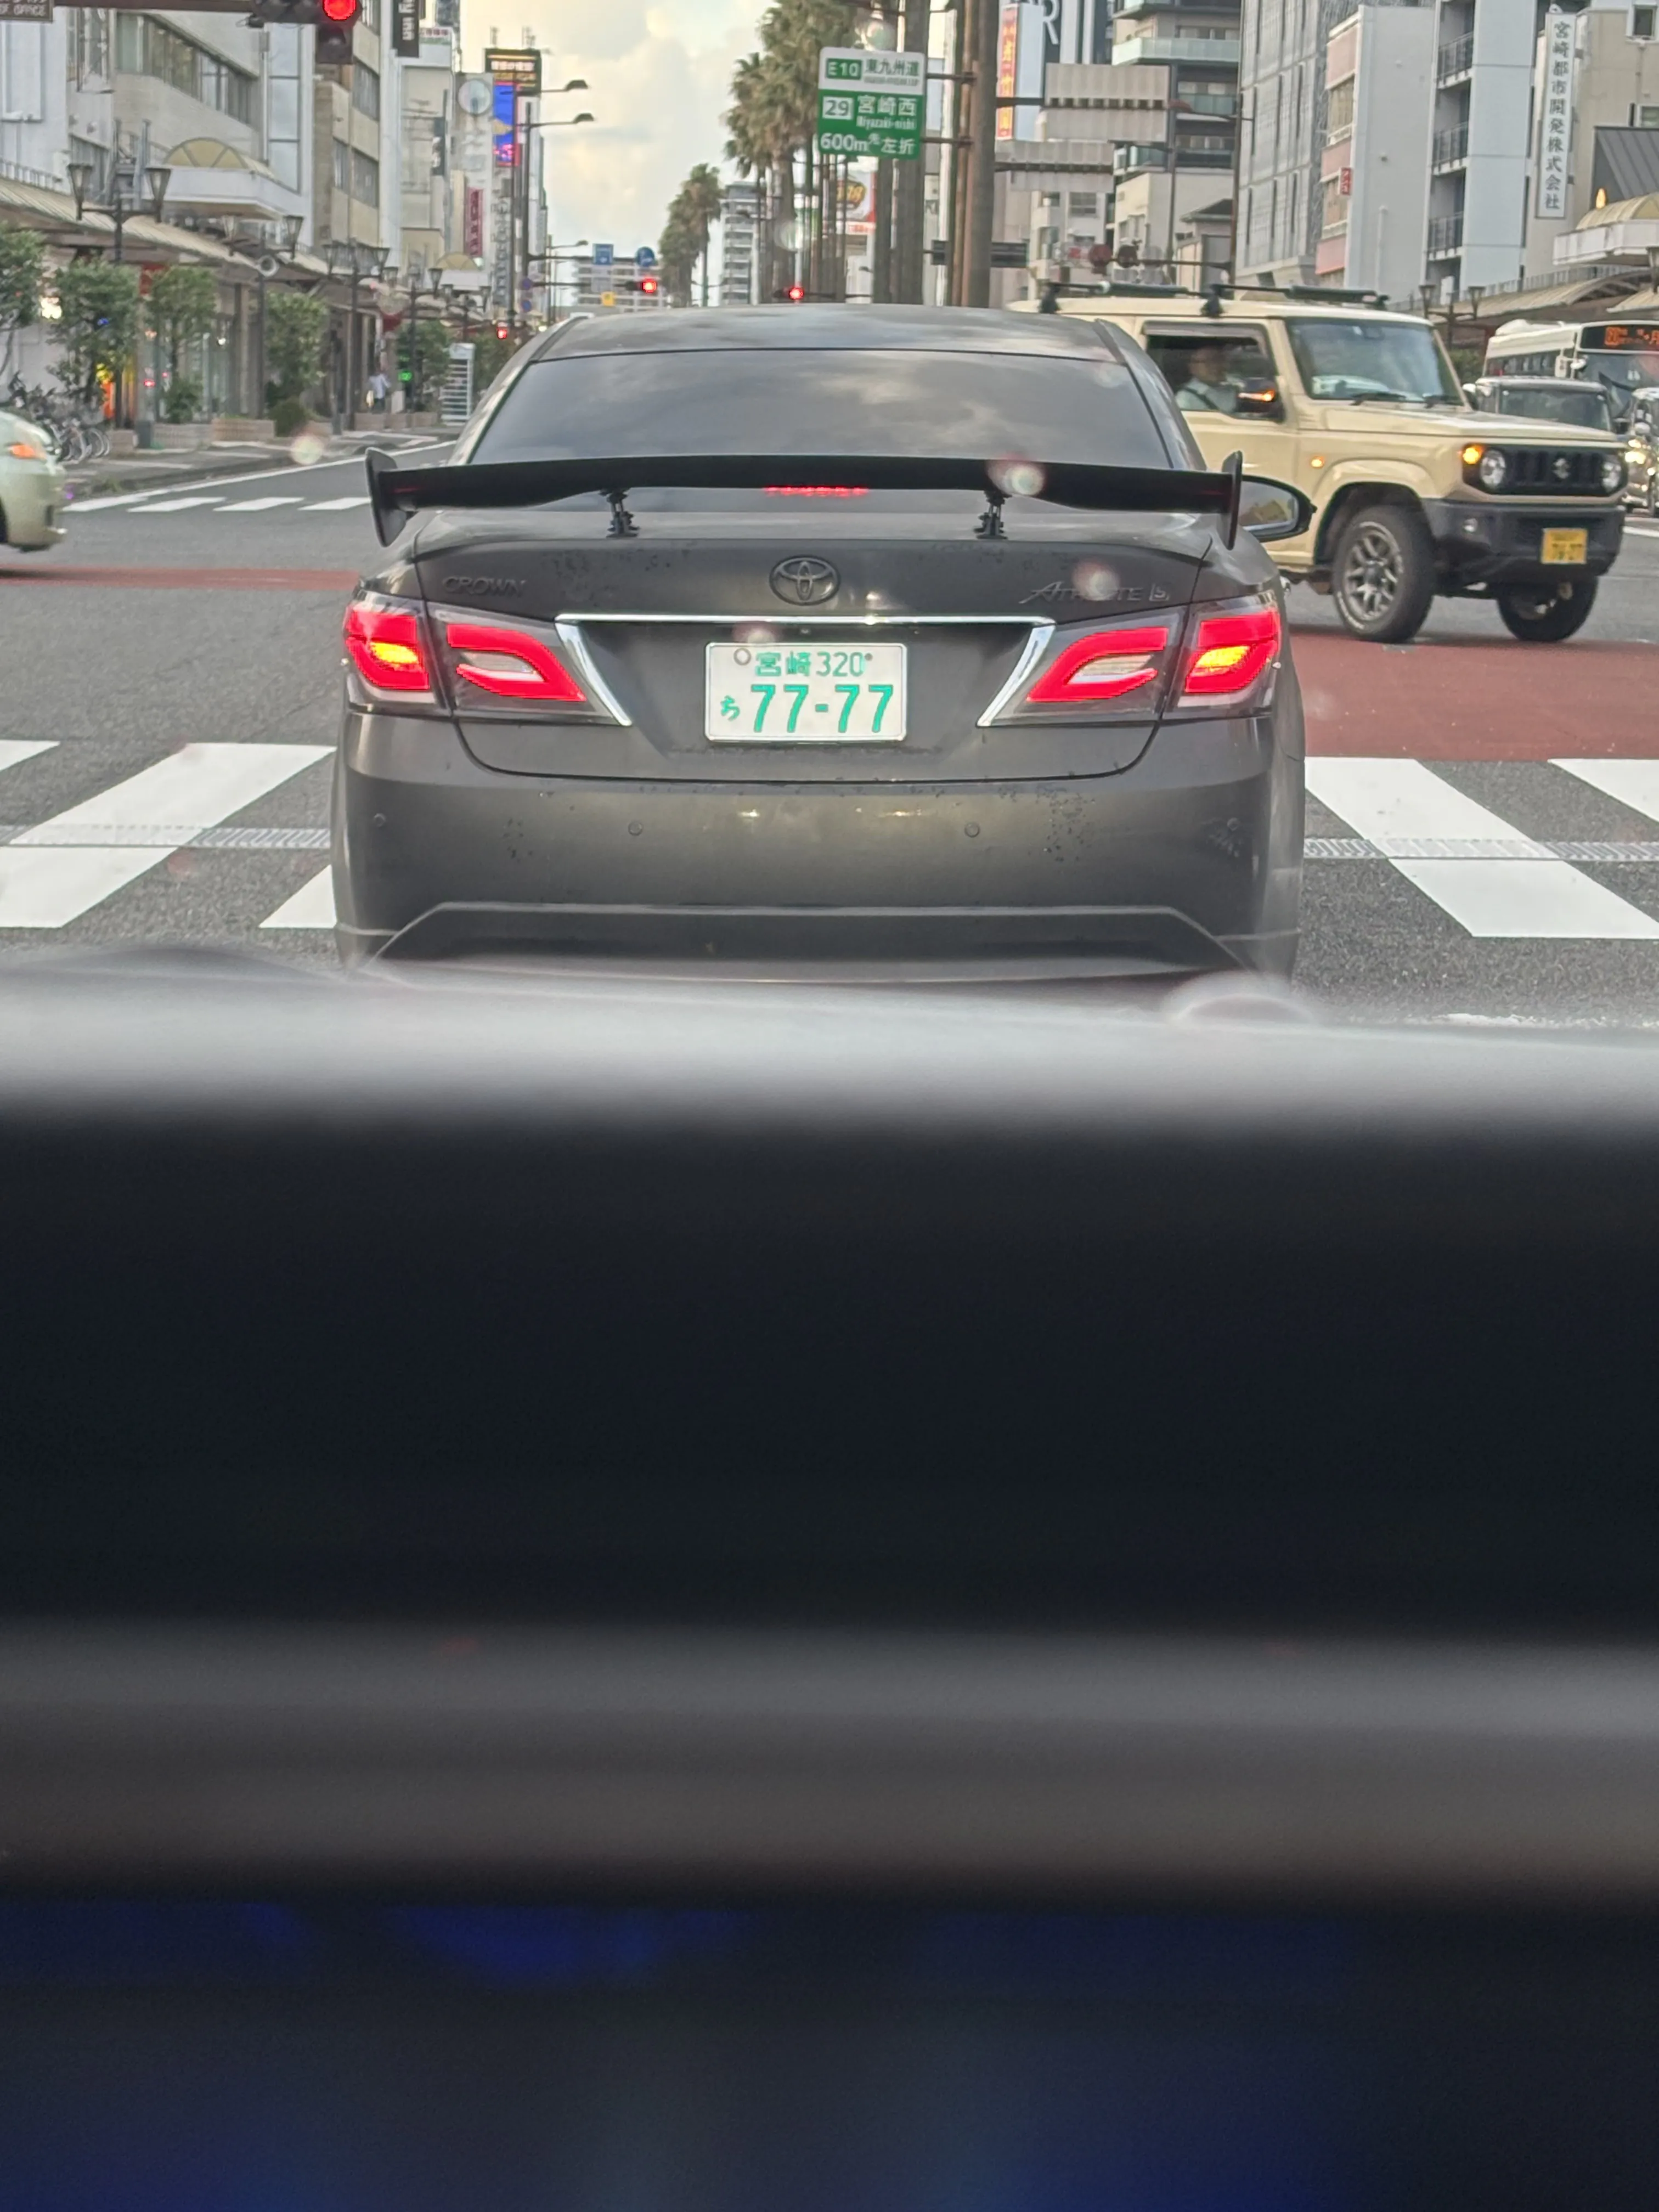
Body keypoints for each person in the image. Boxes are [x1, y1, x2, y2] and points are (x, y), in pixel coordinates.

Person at [1175, 344, 1240, 414]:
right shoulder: (1184, 399)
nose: (1215, 366)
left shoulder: (1235, 387)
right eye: (1208, 361)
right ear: (1192, 367)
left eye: (1219, 360)